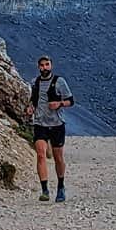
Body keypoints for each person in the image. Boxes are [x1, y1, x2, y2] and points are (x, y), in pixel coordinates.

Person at [25, 55, 74, 202]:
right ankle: (45, 190)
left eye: (47, 65)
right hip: (40, 124)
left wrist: (59, 104)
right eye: (42, 65)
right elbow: (33, 100)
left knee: (58, 157)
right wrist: (30, 108)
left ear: (51, 66)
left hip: (57, 124)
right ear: (38, 67)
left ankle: (60, 186)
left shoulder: (59, 82)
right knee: (40, 154)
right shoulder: (35, 82)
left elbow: (71, 100)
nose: (44, 67)